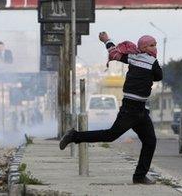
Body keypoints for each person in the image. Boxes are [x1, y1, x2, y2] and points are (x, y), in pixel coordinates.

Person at [59, 32, 163, 185]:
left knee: (150, 141)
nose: (154, 48)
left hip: (140, 110)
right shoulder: (152, 62)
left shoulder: (132, 58)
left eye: (155, 45)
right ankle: (74, 136)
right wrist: (150, 70)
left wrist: (107, 40)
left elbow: (113, 53)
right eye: (151, 45)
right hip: (131, 110)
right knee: (110, 136)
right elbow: (159, 76)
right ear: (143, 47)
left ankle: (139, 176)